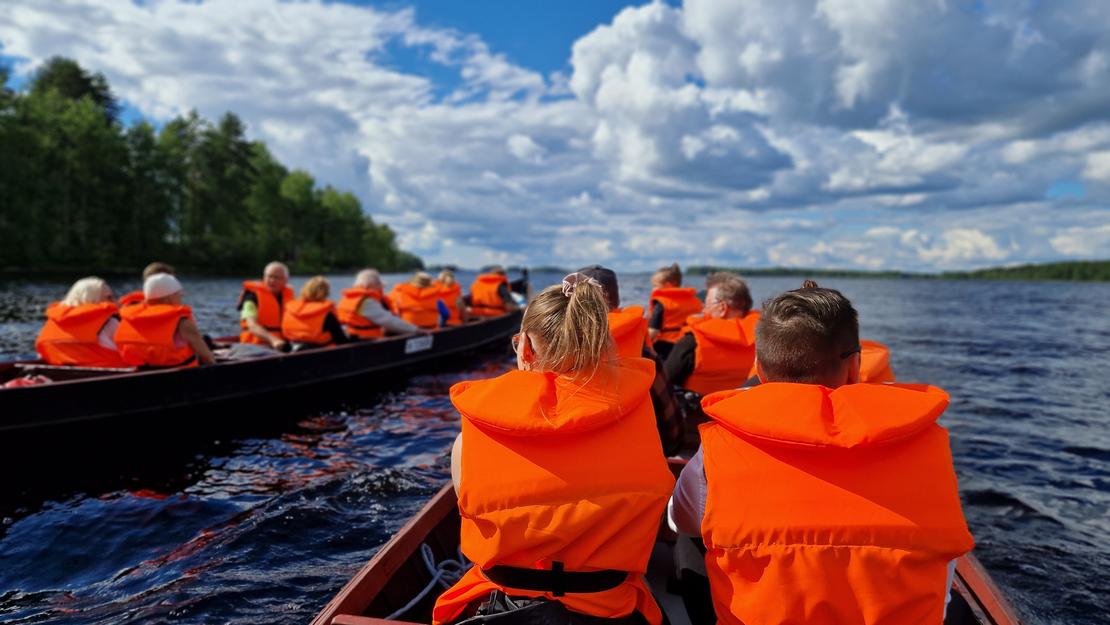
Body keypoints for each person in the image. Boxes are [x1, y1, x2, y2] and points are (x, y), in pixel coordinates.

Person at [670, 280, 974, 625]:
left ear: (759, 368)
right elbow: (943, 578)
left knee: (691, 537)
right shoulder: (928, 447)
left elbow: (680, 519)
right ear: (855, 366)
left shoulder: (718, 451)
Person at [433, 274, 675, 625]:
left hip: (504, 608)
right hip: (610, 609)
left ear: (526, 347)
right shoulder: (640, 415)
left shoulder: (469, 439)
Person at [578, 264, 684, 455]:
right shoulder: (644, 354)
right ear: (616, 301)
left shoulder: (549, 349)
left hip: (574, 457)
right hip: (632, 455)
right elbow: (671, 424)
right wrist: (670, 449)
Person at [663, 272, 759, 395]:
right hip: (740, 410)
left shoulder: (691, 343)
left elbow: (664, 385)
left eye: (707, 304)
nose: (703, 309)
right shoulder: (766, 341)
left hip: (698, 411)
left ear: (722, 308)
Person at [115, 273, 216, 367]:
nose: (182, 296)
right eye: (179, 294)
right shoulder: (182, 322)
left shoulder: (130, 319)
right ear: (168, 298)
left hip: (144, 372)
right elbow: (208, 358)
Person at [34, 276, 127, 368]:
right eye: (109, 297)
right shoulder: (110, 322)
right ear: (93, 299)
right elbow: (131, 352)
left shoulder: (52, 321)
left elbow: (41, 355)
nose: (116, 301)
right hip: (108, 373)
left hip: (60, 374)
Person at [336, 269, 420, 338]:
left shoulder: (348, 298)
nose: (380, 289)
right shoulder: (366, 302)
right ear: (368, 285)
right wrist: (416, 330)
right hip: (368, 341)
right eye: (378, 285)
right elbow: (389, 321)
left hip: (352, 336)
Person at [646, 263, 701, 358]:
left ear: (667, 285)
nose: (653, 289)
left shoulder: (661, 303)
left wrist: (642, 344)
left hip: (665, 345)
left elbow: (653, 331)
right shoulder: (695, 301)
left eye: (655, 286)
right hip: (689, 343)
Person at [237, 261, 294, 350]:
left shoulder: (288, 297)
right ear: (264, 277)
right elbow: (252, 325)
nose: (272, 280)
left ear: (285, 280)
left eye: (277, 278)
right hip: (253, 347)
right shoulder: (251, 297)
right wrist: (274, 340)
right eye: (269, 276)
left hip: (280, 345)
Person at [281, 276, 349, 349]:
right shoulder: (326, 313)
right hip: (320, 354)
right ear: (325, 293)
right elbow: (341, 339)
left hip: (293, 350)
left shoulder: (289, 309)